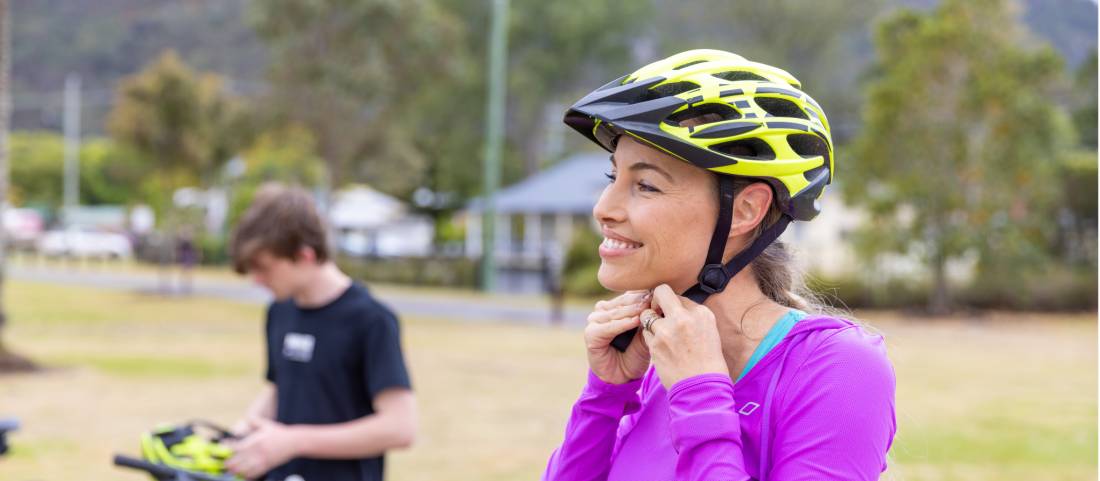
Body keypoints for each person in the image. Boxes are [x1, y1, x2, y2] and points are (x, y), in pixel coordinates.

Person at [543, 49, 896, 481]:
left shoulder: (837, 368)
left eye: (647, 185)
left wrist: (700, 395)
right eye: (612, 178)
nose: (604, 208)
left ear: (746, 210)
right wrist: (605, 395)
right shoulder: (661, 366)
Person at [226, 184, 416, 481]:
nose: (257, 280)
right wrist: (237, 436)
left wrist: (293, 441)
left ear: (305, 255)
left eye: (264, 268)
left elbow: (400, 427)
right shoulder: (280, 310)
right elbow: (280, 388)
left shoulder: (372, 320)